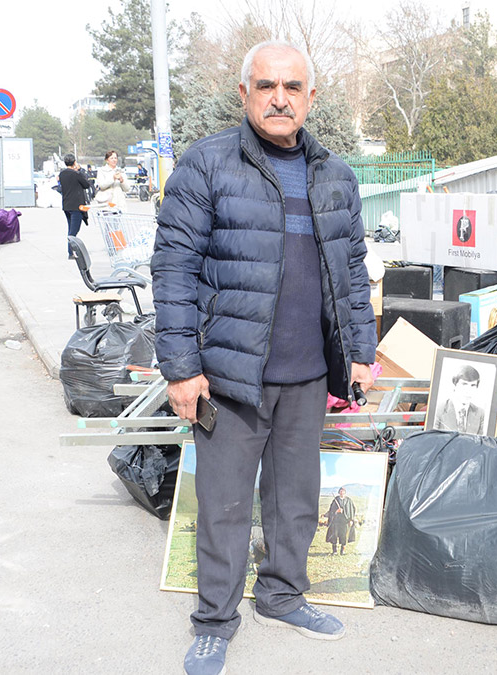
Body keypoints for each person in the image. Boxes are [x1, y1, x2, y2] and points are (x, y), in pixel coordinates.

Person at [151, 40, 376, 675]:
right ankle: (215, 621)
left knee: (296, 498)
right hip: (230, 376)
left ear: (312, 97)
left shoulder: (336, 177)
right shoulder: (207, 166)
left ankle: (281, 594)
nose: (281, 98)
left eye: (293, 87)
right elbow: (173, 272)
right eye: (267, 85)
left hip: (308, 376)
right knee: (222, 505)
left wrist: (360, 352)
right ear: (244, 93)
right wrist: (181, 368)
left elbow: (353, 274)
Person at [433, 365, 488, 435]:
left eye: (473, 385)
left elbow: (482, 442)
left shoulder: (480, 413)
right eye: (464, 384)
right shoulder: (439, 409)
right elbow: (432, 440)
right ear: (454, 385)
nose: (468, 390)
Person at [59, 154, 91, 259]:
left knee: (70, 228)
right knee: (74, 231)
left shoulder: (62, 174)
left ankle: (71, 251)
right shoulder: (76, 174)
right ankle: (70, 252)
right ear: (74, 162)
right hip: (76, 206)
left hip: (67, 205)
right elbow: (86, 184)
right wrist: (80, 170)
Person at [324, 487, 358, 555]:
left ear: (345, 492)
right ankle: (334, 551)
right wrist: (336, 511)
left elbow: (352, 510)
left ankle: (342, 551)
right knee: (334, 535)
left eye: (343, 491)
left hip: (345, 522)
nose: (342, 493)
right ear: (339, 492)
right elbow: (331, 510)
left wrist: (351, 520)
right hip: (336, 522)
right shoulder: (335, 500)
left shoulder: (349, 501)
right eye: (341, 491)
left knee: (344, 536)